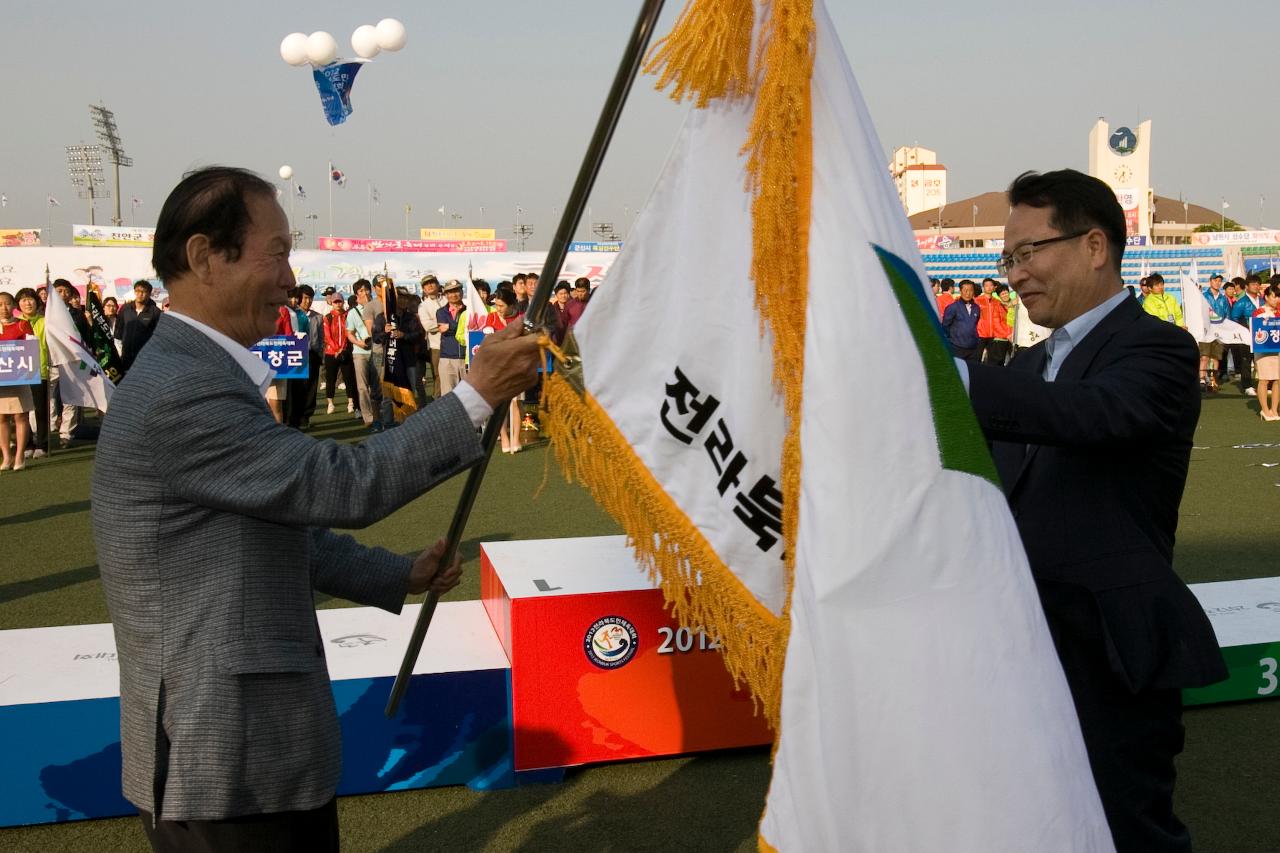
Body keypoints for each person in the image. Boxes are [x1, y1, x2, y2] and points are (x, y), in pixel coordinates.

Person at [90, 166, 541, 853]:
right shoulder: (180, 388)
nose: (287, 275)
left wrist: (396, 573)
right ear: (206, 257)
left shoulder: (200, 371)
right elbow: (339, 482)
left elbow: (275, 524)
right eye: (276, 252)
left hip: (254, 749)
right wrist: (474, 397)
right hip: (223, 754)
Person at [964, 169, 1226, 853]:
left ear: (1094, 246)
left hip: (1109, 651)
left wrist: (952, 375)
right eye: (1008, 259)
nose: (1015, 274)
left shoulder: (1158, 349)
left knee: (1123, 829)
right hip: (1018, 643)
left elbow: (1093, 413)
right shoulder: (1022, 369)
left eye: (1029, 252)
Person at [0, 292, 35, 470]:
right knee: (1, 418)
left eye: (7, 304)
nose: (4, 308)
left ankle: (20, 455)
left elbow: (31, 349)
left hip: (19, 377)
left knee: (21, 416)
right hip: (0, 381)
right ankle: (6, 456)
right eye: (0, 305)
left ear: (14, 305)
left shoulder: (23, 325)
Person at [14, 287, 49, 457]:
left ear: (37, 302)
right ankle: (27, 444)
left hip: (40, 370)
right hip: (18, 373)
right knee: (22, 411)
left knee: (41, 410)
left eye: (30, 299)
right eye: (23, 300)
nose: (27, 303)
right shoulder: (15, 322)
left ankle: (42, 444)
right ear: (18, 304)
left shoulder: (45, 321)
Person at [346, 279, 383, 431]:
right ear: (356, 295)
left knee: (377, 385)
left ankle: (379, 415)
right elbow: (349, 333)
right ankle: (368, 417)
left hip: (377, 349)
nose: (365, 293)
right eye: (361, 291)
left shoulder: (378, 306)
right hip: (360, 352)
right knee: (362, 387)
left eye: (366, 289)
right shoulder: (353, 312)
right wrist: (358, 342)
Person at [285, 285, 324, 429]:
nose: (308, 301)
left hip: (313, 354)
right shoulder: (292, 314)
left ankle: (306, 417)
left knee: (311, 388)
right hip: (296, 354)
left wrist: (320, 353)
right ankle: (294, 418)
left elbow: (321, 338)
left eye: (311, 298)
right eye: (305, 298)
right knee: (297, 388)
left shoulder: (317, 317)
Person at [321, 291, 357, 416]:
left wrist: (342, 349)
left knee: (349, 378)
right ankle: (330, 403)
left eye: (339, 301)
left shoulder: (348, 315)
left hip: (345, 352)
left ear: (343, 302)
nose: (337, 304)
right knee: (330, 379)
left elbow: (349, 332)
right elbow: (327, 336)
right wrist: (336, 349)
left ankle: (351, 403)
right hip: (331, 353)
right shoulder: (328, 317)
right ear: (332, 303)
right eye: (335, 302)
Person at [116, 280, 162, 370]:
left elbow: (158, 335)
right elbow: (119, 331)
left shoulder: (155, 312)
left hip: (145, 358)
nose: (140, 294)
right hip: (125, 357)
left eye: (143, 292)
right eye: (137, 291)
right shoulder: (125, 308)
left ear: (149, 294)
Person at [1230, 275, 1264, 396]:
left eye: (1258, 284)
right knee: (1246, 360)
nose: (1256, 286)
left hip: (1262, 336)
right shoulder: (1241, 303)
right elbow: (1234, 318)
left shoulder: (1264, 301)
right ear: (1247, 286)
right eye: (1253, 284)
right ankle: (1247, 385)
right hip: (1247, 336)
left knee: (1262, 360)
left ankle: (1265, 384)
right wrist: (1244, 329)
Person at [1251, 284, 1280, 420]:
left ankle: (1274, 410)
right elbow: (1255, 328)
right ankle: (1265, 410)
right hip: (1263, 350)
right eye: (1274, 297)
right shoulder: (1258, 312)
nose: (1276, 299)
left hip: (1277, 350)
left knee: (1277, 380)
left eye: (1278, 297)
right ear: (1267, 297)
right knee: (1264, 379)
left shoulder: (1279, 312)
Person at [417, 276, 447, 399]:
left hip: (454, 343)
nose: (430, 286)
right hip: (436, 346)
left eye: (432, 283)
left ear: (438, 285)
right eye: (426, 285)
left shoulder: (447, 300)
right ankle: (437, 399)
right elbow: (428, 326)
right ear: (423, 289)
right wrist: (445, 324)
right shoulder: (423, 306)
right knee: (438, 375)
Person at [436, 279, 467, 396]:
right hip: (447, 358)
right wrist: (461, 325)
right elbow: (444, 329)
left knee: (468, 396)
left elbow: (466, 329)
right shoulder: (441, 312)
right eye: (450, 292)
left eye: (456, 291)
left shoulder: (469, 310)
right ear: (445, 294)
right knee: (448, 396)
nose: (454, 295)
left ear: (462, 292)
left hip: (466, 358)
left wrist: (449, 326)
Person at [940, 280, 981, 362]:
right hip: (957, 348)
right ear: (960, 291)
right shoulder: (953, 307)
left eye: (970, 290)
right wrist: (952, 340)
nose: (968, 293)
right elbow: (945, 326)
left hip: (973, 348)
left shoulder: (976, 307)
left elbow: (974, 324)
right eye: (965, 290)